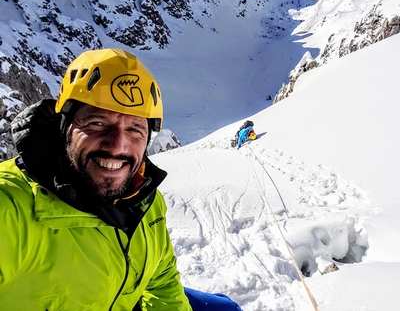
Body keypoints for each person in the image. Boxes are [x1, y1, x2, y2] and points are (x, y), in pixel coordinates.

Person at [0, 48, 241, 310]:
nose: (117, 146)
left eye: (134, 129)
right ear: (64, 125)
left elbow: (161, 281)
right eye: (97, 123)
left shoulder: (143, 199)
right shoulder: (10, 207)